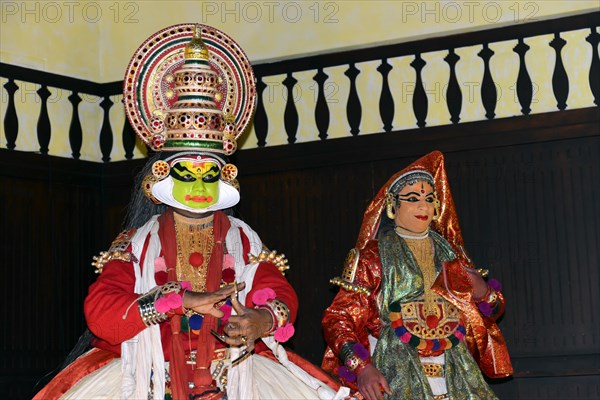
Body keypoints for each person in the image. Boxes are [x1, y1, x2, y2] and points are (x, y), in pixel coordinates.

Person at [34, 24, 347, 400]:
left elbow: (276, 291)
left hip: (238, 375)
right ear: (162, 176)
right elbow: (101, 313)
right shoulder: (135, 243)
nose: (199, 187)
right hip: (147, 376)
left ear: (224, 177)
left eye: (209, 174)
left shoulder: (243, 239)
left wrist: (261, 319)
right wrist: (175, 302)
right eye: (187, 173)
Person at [322, 151, 513, 400]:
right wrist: (362, 367)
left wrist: (482, 292)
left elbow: (493, 311)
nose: (423, 205)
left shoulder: (452, 254)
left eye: (430, 198)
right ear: (393, 206)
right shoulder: (372, 256)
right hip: (393, 373)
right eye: (413, 199)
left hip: (458, 374)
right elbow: (338, 317)